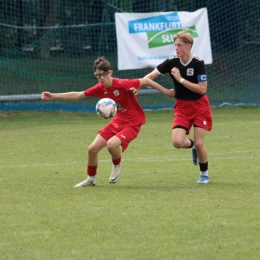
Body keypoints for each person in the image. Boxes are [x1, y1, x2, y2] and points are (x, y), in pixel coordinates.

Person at [42, 57, 174, 187]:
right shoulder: (100, 87)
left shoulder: (122, 84)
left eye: (103, 75)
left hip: (133, 123)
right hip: (117, 121)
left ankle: (117, 166)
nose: (101, 78)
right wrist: (53, 95)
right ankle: (90, 179)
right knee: (92, 149)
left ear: (110, 73)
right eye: (98, 75)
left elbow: (146, 80)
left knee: (111, 145)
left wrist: (167, 92)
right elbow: (78, 95)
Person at [144, 30, 213, 184]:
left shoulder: (198, 62)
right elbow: (149, 78)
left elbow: (202, 89)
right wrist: (135, 86)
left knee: (201, 142)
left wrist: (180, 80)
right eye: (175, 45)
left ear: (188, 46)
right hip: (182, 106)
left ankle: (204, 174)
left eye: (179, 45)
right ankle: (193, 146)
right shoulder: (171, 61)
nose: (176, 48)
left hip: (199, 106)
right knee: (177, 142)